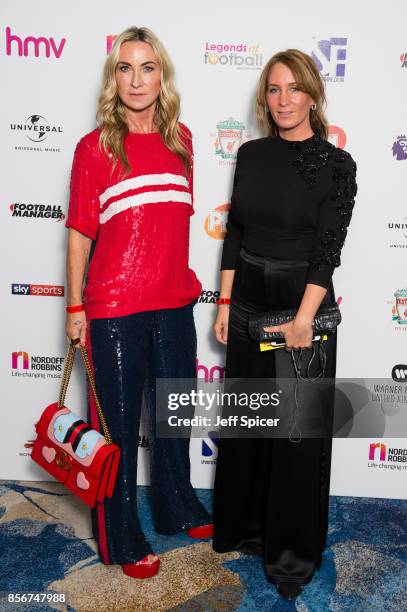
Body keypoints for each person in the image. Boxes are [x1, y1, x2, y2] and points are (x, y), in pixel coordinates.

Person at [65, 26, 212, 580]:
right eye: (124, 68)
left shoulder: (183, 142)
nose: (135, 79)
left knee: (174, 417)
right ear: (113, 78)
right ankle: (122, 536)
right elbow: (80, 233)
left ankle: (177, 506)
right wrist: (75, 308)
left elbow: (174, 227)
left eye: (146, 67)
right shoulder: (95, 147)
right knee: (119, 430)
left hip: (174, 303)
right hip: (113, 308)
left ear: (161, 76)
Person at [212, 49, 357, 600]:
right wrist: (225, 301)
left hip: (304, 303)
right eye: (274, 90)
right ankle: (246, 530)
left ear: (314, 94)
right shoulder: (250, 154)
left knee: (296, 435)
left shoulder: (337, 165)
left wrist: (303, 319)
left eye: (294, 89)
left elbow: (328, 250)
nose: (283, 100)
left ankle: (291, 557)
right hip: (248, 298)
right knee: (250, 421)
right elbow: (236, 234)